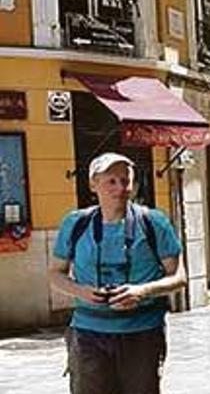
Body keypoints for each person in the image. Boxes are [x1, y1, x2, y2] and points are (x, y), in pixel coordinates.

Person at [48, 152, 186, 394]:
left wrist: (141, 291)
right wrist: (82, 291)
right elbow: (55, 274)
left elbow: (179, 277)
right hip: (88, 333)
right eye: (111, 180)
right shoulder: (76, 224)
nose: (120, 187)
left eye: (126, 180)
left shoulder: (154, 222)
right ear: (93, 184)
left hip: (141, 334)